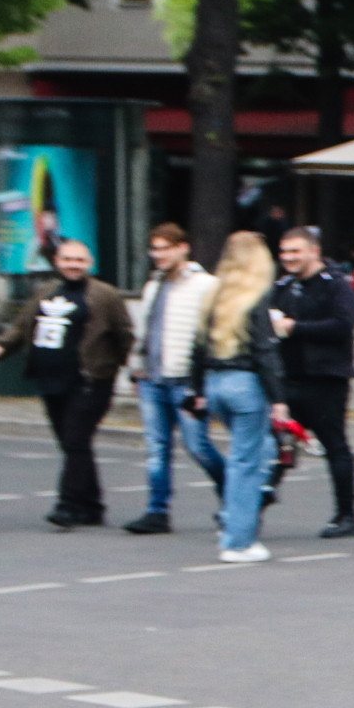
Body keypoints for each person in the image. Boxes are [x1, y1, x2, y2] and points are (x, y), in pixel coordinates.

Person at [0, 239, 133, 530]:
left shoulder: (105, 295)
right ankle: (92, 505)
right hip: (50, 380)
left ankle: (68, 505)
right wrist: (0, 347)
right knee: (73, 445)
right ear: (57, 262)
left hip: (90, 381)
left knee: (75, 441)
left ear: (89, 263)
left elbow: (124, 335)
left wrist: (126, 370)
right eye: (67, 259)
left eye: (79, 260)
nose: (73, 265)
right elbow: (23, 326)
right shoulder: (46, 291)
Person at [188, 232, 291, 563]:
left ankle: (232, 526)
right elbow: (265, 350)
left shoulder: (215, 296)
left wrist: (198, 389)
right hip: (245, 384)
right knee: (246, 464)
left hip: (216, 383)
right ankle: (238, 540)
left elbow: (197, 348)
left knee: (248, 455)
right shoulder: (256, 297)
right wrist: (278, 397)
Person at [122, 223, 225, 534]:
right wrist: (137, 368)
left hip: (185, 379)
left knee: (197, 444)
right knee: (157, 447)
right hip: (153, 378)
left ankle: (233, 490)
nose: (159, 255)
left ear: (183, 248)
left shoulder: (206, 284)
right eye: (155, 249)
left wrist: (204, 380)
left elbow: (211, 334)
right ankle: (157, 510)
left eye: (166, 248)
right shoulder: (154, 284)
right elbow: (147, 331)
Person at [268, 228, 354, 538]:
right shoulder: (283, 286)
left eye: (295, 251)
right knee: (278, 445)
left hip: (325, 379)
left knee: (335, 445)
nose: (288, 258)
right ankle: (250, 505)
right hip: (289, 378)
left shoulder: (336, 286)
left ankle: (346, 515)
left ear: (314, 251)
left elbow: (342, 325)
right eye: (284, 252)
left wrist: (294, 328)